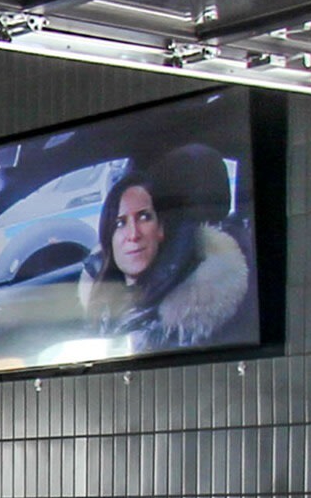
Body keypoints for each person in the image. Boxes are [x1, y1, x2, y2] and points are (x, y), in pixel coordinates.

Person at [81, 145, 254, 352]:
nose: (133, 234)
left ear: (161, 227)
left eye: (144, 217)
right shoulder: (98, 289)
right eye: (120, 223)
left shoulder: (211, 297)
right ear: (108, 236)